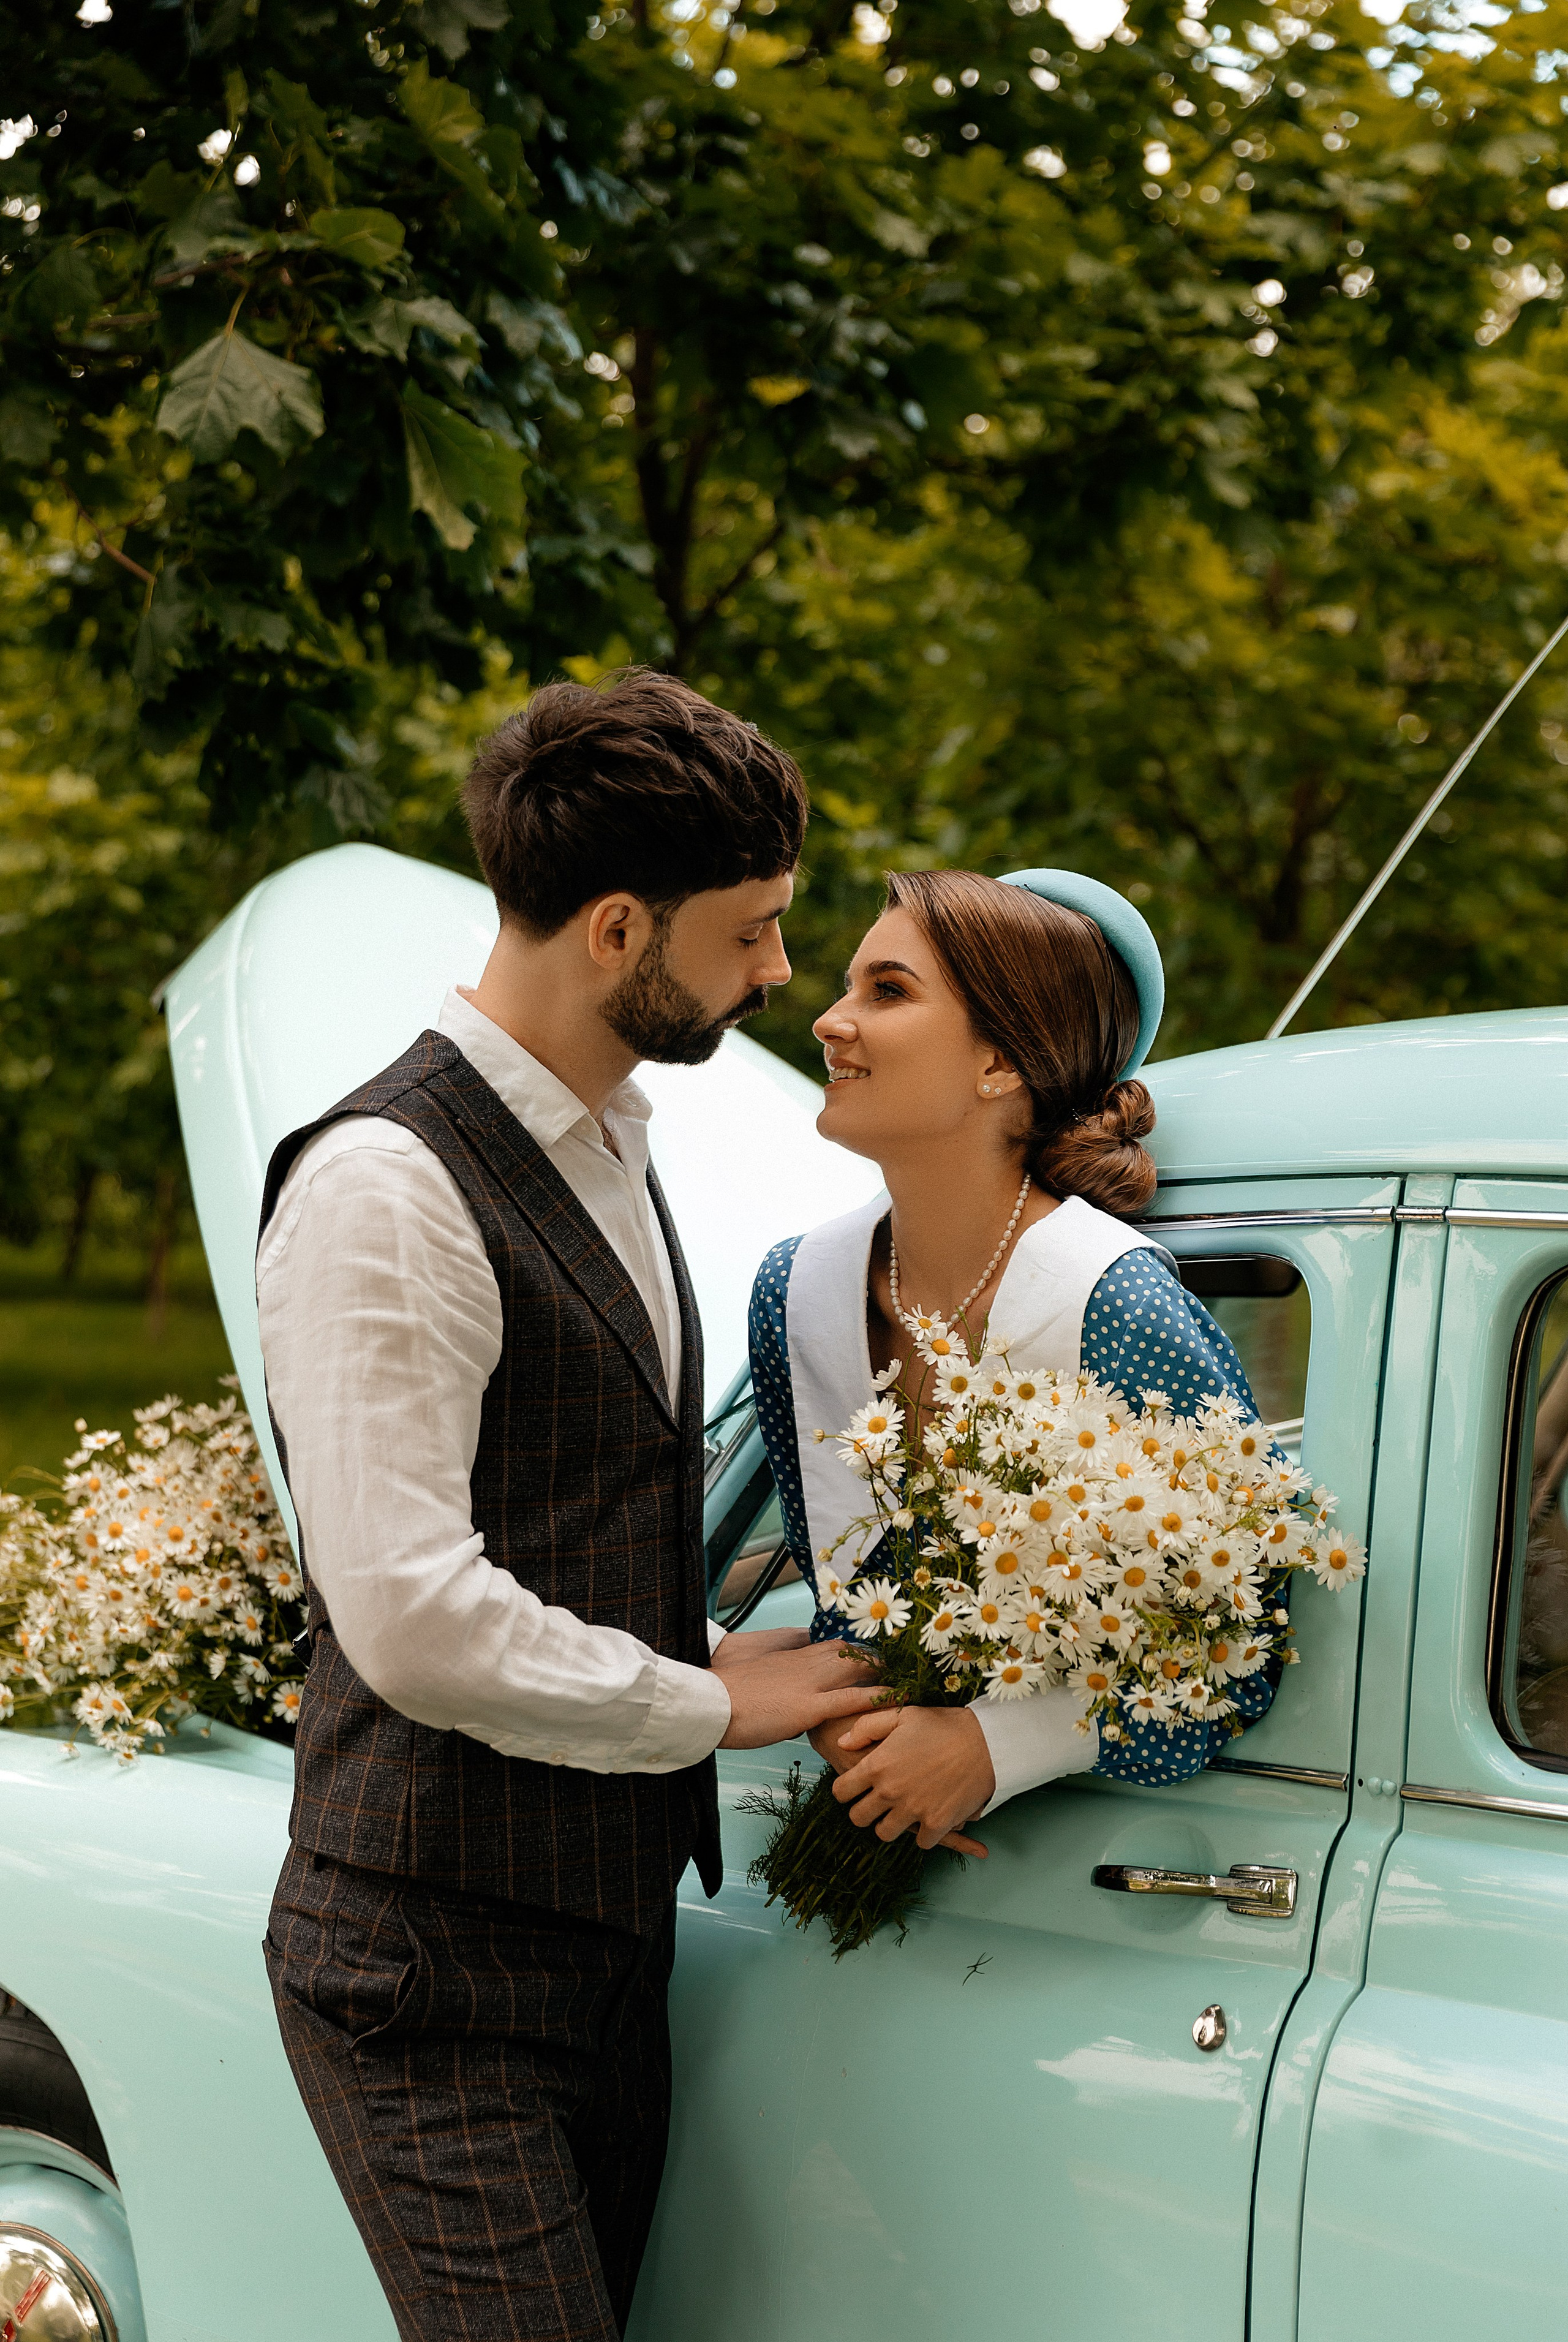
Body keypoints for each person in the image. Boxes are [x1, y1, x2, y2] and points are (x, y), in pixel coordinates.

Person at [257, 670, 878, 2342]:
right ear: (618, 929)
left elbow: (579, 1485)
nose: (778, 974)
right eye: (750, 934)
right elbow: (411, 1616)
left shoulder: (609, 1127)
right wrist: (703, 1701)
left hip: (597, 1951)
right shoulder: (388, 1184)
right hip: (425, 1971)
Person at [748, 865, 1280, 1859]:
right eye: (847, 985)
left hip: (1088, 1869)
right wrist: (840, 1706)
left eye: (887, 991)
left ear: (1000, 1061)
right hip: (875, 1836)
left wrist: (993, 1750)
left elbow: (1233, 1658)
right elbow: (847, 1600)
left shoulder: (1113, 1302)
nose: (828, 1019)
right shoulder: (795, 1292)